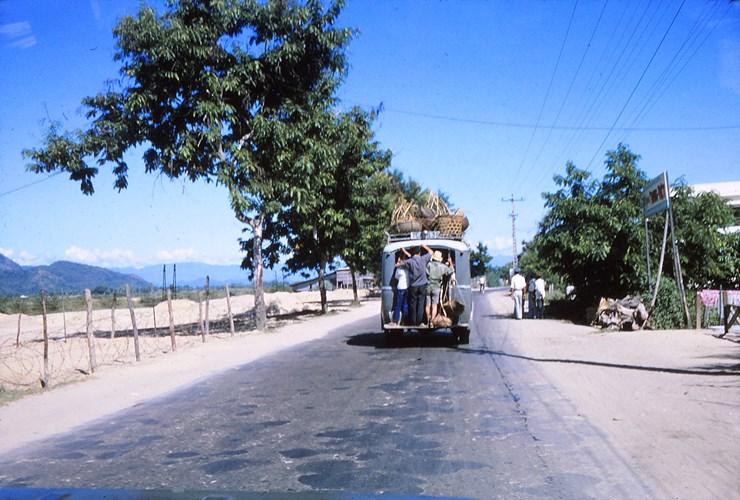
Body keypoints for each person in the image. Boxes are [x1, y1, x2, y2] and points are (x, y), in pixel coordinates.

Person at [397, 244, 433, 326]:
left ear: (413, 253)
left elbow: (399, 264)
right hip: (423, 285)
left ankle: (413, 322)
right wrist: (424, 246)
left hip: (413, 286)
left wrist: (403, 254)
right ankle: (419, 322)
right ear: (419, 252)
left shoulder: (409, 261)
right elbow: (431, 252)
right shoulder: (423, 259)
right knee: (421, 304)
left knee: (413, 304)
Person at [425, 250, 454, 327]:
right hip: (436, 287)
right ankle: (432, 322)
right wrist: (450, 262)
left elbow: (426, 273)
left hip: (427, 287)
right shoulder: (443, 267)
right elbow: (451, 271)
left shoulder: (428, 265)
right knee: (434, 305)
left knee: (428, 305)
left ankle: (428, 319)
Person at [389, 253, 409, 325]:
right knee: (405, 304)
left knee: (398, 305)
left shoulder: (399, 269)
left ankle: (396, 320)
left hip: (400, 287)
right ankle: (406, 320)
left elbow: (396, 277)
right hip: (407, 287)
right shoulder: (408, 268)